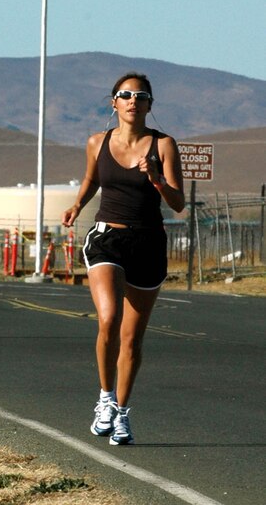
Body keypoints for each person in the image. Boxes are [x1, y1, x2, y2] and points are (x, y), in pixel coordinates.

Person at [61, 72, 185, 446]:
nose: (133, 101)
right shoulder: (97, 142)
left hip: (148, 243)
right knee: (109, 317)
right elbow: (91, 179)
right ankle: (104, 398)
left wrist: (157, 180)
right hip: (107, 238)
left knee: (131, 339)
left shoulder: (163, 145)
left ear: (149, 105)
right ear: (113, 102)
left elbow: (178, 204)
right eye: (125, 95)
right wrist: (77, 204)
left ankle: (122, 415)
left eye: (141, 96)